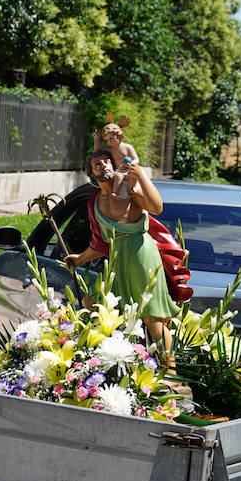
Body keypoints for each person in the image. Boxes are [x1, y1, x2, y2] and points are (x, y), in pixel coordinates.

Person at [66, 150, 176, 357]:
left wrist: (141, 174)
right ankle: (120, 359)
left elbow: (157, 207)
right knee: (98, 304)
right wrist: (79, 259)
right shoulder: (94, 202)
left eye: (107, 161)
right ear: (91, 173)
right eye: (98, 164)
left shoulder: (126, 189)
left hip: (140, 254)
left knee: (151, 317)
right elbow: (101, 242)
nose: (104, 165)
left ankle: (170, 372)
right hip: (117, 259)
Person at [94, 119, 139, 200]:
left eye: (111, 138)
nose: (109, 142)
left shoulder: (127, 147)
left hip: (128, 169)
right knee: (118, 176)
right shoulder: (109, 149)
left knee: (134, 175)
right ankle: (115, 191)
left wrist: (130, 164)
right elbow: (98, 151)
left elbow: (136, 159)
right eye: (107, 140)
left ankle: (131, 188)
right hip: (118, 171)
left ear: (118, 135)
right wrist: (97, 139)